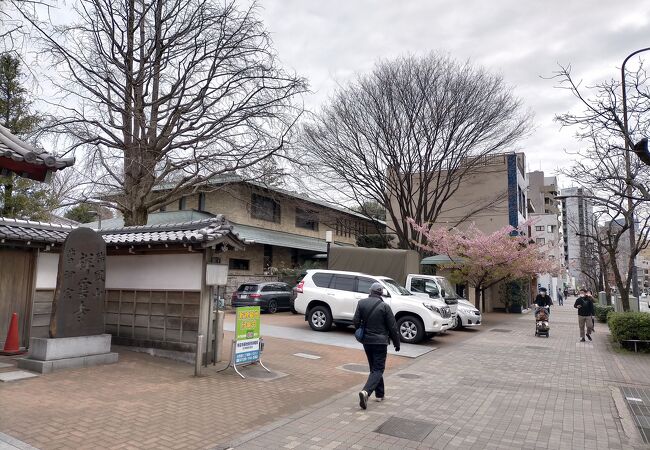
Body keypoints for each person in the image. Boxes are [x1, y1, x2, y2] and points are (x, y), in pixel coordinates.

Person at [353, 282, 400, 410]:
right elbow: (393, 327)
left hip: (366, 342)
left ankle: (380, 394)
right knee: (378, 369)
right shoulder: (385, 307)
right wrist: (397, 343)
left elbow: (355, 321)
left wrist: (362, 331)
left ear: (370, 291)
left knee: (374, 368)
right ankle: (366, 392)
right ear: (381, 293)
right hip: (380, 342)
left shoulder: (361, 303)